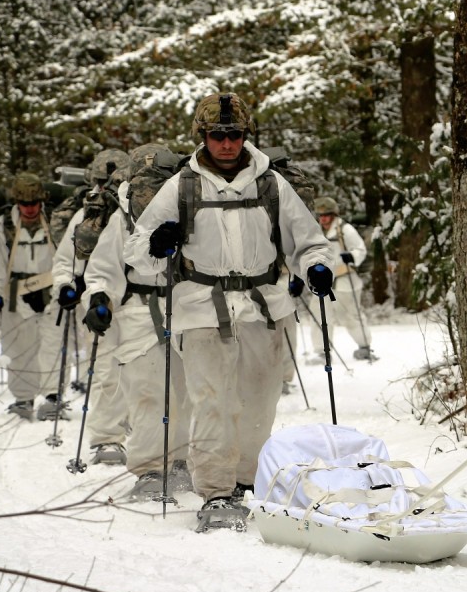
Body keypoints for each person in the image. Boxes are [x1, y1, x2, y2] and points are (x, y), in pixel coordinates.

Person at [123, 92, 335, 531]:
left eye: (234, 134)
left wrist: (317, 266)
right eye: (217, 135)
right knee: (212, 402)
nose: (226, 143)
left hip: (263, 305)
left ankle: (245, 481)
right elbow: (137, 250)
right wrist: (157, 245)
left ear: (245, 135)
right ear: (202, 136)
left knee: (261, 400)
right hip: (201, 307)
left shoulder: (271, 184)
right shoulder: (182, 186)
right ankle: (216, 492)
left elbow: (308, 239)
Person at [83, 143, 193, 500]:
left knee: (188, 391)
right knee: (148, 393)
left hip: (189, 308)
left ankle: (182, 461)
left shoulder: (192, 205)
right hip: (138, 312)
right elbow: (102, 268)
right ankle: (150, 469)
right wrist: (99, 298)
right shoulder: (124, 216)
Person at [52, 148, 131, 462]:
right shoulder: (85, 215)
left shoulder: (142, 209)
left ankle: (140, 430)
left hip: (143, 300)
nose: (107, 188)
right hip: (100, 302)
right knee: (107, 370)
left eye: (114, 181)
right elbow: (64, 261)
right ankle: (107, 438)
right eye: (101, 182)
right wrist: (65, 287)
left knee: (145, 371)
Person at [0, 173, 63, 421]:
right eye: (24, 204)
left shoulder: (54, 223)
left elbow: (65, 258)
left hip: (50, 291)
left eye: (34, 203)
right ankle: (23, 398)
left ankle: (53, 396)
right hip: (15, 294)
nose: (30, 209)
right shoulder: (2, 227)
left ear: (41, 201)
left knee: (52, 345)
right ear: (17, 202)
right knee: (17, 346)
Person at [303, 196, 375, 363]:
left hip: (345, 280)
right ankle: (322, 352)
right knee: (320, 315)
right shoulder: (315, 231)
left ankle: (364, 346)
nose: (323, 219)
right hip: (322, 281)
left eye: (327, 215)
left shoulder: (345, 229)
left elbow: (360, 250)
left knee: (351, 316)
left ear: (334, 214)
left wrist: (352, 256)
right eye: (321, 215)